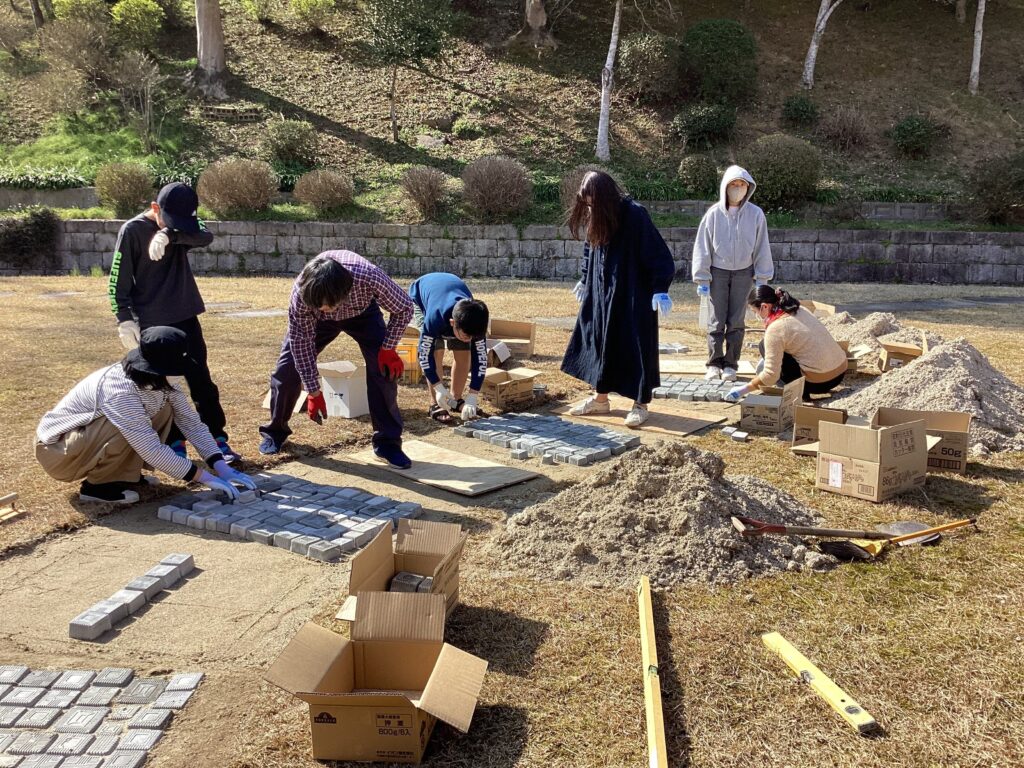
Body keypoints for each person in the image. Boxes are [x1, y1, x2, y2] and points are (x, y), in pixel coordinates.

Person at [35, 327, 257, 505]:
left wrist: (220, 466)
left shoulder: (162, 382)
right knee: (125, 425)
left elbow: (191, 423)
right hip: (60, 451)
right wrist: (204, 477)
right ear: (157, 368)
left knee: (163, 411)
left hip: (85, 440)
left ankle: (123, 476)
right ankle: (98, 488)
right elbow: (149, 448)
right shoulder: (120, 391)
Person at [107, 182, 240, 464]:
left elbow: (204, 235)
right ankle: (173, 443)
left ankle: (217, 439)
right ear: (155, 208)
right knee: (161, 387)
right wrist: (124, 319)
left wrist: (168, 233)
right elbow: (117, 281)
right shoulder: (132, 231)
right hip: (153, 323)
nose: (179, 225)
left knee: (200, 380)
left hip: (186, 314)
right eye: (169, 220)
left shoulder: (182, 226)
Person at [259, 251, 414, 468]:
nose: (326, 310)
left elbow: (405, 307)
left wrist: (388, 348)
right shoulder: (302, 296)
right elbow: (301, 346)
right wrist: (313, 391)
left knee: (382, 371)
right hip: (317, 322)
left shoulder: (368, 277)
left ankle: (388, 444)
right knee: (287, 370)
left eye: (328, 305)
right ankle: (275, 431)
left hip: (363, 314)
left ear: (345, 291)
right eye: (319, 305)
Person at [561, 171, 675, 428]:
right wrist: (584, 279)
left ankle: (640, 403)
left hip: (632, 294)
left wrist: (660, 288)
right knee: (600, 342)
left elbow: (658, 254)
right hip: (601, 293)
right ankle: (601, 399)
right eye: (586, 203)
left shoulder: (635, 214)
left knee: (635, 346)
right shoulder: (598, 214)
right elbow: (591, 248)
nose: (589, 208)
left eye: (592, 202)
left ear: (604, 197)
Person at [692, 165, 774, 383]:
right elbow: (703, 245)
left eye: (742, 185)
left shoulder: (756, 214)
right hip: (718, 272)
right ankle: (713, 363)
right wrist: (702, 277)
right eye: (734, 185)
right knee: (716, 320)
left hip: (743, 273)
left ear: (748, 189)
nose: (738, 189)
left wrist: (762, 278)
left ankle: (731, 364)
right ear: (725, 187)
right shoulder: (713, 215)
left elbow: (761, 246)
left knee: (736, 320)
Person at [724, 286, 848, 403]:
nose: (756, 315)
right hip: (840, 372)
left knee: (765, 346)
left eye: (755, 311)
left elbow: (771, 376)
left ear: (764, 307)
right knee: (765, 345)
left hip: (820, 382)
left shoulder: (776, 328)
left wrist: (744, 389)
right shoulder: (799, 309)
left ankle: (801, 393)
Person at [408, 273, 489, 424]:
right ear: (452, 323)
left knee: (464, 353)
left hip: (451, 296)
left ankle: (455, 400)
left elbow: (481, 358)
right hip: (422, 298)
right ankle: (435, 404)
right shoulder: (434, 318)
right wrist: (438, 387)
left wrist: (472, 396)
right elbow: (424, 356)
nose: (469, 339)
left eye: (472, 336)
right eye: (466, 335)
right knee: (436, 352)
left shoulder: (474, 320)